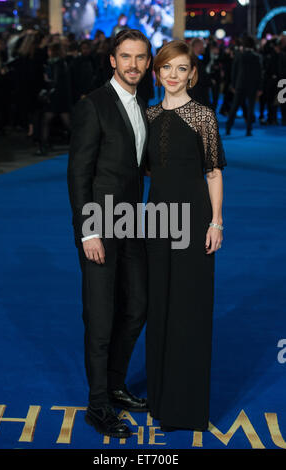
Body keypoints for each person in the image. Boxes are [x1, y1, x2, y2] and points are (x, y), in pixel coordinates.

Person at [67, 29, 151, 438]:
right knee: (100, 319)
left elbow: (138, 166)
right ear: (112, 61)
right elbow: (79, 175)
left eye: (140, 58)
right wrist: (88, 232)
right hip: (99, 226)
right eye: (125, 57)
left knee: (138, 305)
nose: (133, 64)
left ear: (147, 63)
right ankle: (97, 405)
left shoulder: (144, 103)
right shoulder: (93, 106)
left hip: (133, 224)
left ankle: (115, 384)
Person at [145, 40, 226, 431]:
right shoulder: (148, 115)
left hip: (194, 223)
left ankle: (187, 406)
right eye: (166, 68)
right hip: (157, 222)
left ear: (191, 72)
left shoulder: (203, 117)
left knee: (190, 309)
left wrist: (216, 222)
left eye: (181, 68)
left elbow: (213, 172)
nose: (173, 75)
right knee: (159, 306)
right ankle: (160, 398)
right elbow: (145, 172)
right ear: (156, 73)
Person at [226, 36, 263, 137]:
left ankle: (228, 127)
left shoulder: (239, 56)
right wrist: (260, 88)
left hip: (240, 85)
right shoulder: (256, 57)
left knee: (234, 106)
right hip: (252, 86)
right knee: (251, 108)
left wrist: (233, 84)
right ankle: (248, 130)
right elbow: (259, 74)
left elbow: (234, 71)